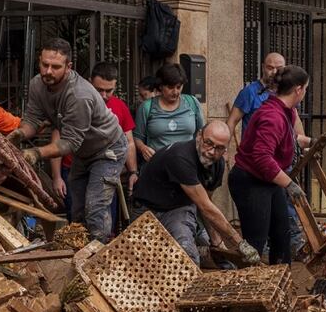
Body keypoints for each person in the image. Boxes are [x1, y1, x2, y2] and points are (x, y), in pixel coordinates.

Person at [11, 38, 127, 244]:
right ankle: (80, 253)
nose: (48, 71)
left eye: (55, 67)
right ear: (39, 61)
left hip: (108, 149)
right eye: (44, 64)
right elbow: (32, 120)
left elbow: (69, 143)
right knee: (77, 209)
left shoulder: (79, 94)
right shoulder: (37, 84)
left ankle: (99, 256)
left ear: (68, 67)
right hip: (84, 151)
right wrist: (19, 134)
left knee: (95, 207)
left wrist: (35, 153)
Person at [131, 121, 259, 266]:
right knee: (144, 262)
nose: (211, 151)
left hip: (178, 208)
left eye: (219, 148)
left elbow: (207, 205)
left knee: (188, 258)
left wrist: (216, 241)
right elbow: (205, 207)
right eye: (208, 143)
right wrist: (240, 243)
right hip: (146, 208)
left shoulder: (217, 165)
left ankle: (200, 252)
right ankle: (200, 249)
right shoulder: (181, 157)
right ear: (199, 136)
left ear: (225, 150)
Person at [228, 65, 310, 265]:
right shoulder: (272, 116)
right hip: (251, 180)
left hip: (268, 180)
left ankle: (280, 287)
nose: (305, 93)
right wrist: (289, 184)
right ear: (298, 89)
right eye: (306, 89)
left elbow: (287, 137)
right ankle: (249, 290)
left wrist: (312, 142)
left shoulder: (286, 111)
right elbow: (262, 157)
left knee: (282, 235)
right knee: (255, 244)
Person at [50, 62, 139, 223]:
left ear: (115, 86)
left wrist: (132, 171)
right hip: (72, 168)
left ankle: (100, 247)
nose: (104, 95)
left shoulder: (120, 107)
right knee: (77, 219)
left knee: (99, 216)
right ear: (89, 82)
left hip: (104, 168)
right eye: (99, 90)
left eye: (109, 90)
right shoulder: (74, 102)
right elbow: (57, 139)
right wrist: (57, 177)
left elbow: (129, 141)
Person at [133, 63, 204, 163]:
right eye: (170, 87)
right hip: (158, 164)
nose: (175, 92)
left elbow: (203, 132)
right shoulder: (146, 107)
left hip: (187, 164)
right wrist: (143, 148)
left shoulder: (192, 103)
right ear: (161, 86)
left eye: (179, 87)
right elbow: (137, 137)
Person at [227, 52, 286, 138]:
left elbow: (296, 123)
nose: (274, 72)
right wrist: (223, 148)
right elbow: (232, 121)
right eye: (270, 68)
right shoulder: (249, 92)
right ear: (263, 68)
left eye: (279, 68)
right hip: (254, 149)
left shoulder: (287, 92)